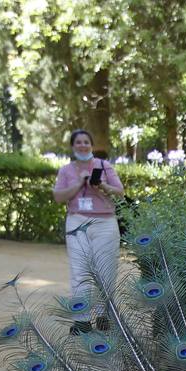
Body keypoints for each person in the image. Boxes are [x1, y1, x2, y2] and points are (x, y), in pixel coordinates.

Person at [52, 129, 125, 333]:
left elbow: (120, 191)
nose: (83, 145)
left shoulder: (104, 166)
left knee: (106, 270)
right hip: (77, 221)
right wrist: (78, 183)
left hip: (105, 223)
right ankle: (82, 320)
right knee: (79, 270)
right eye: (78, 142)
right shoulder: (66, 170)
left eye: (86, 142)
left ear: (91, 145)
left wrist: (101, 184)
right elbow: (58, 196)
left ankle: (103, 316)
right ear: (73, 146)